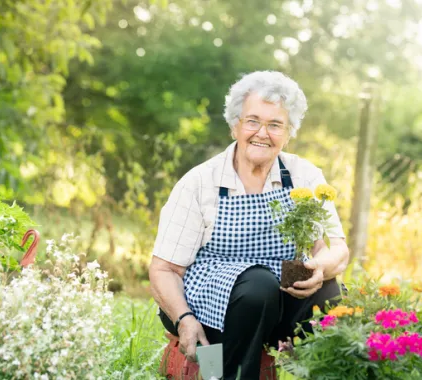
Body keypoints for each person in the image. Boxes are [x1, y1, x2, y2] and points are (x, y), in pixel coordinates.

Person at [149, 71, 349, 379]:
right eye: (252, 121)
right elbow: (163, 269)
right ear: (234, 126)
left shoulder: (304, 176)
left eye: (275, 124)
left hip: (281, 296)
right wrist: (184, 319)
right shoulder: (200, 182)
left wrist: (320, 268)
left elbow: (336, 248)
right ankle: (223, 373)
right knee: (257, 287)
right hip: (209, 304)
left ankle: (320, 372)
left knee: (331, 296)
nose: (262, 133)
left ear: (289, 131)